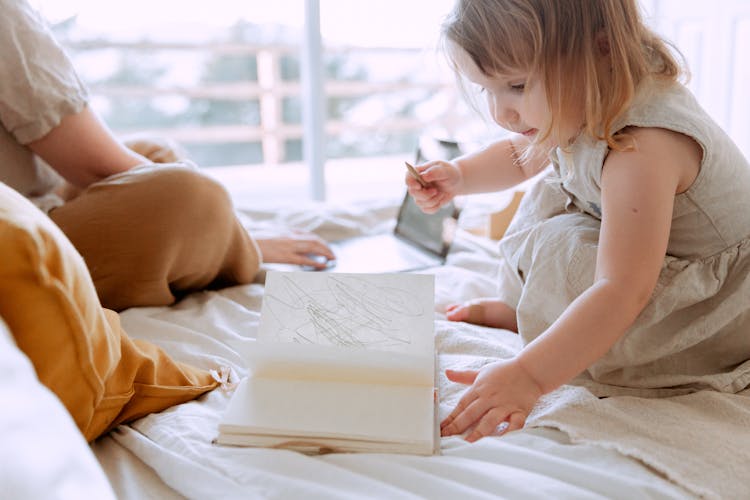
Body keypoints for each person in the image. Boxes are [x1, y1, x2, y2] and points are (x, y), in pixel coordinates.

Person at [407, 0, 750, 443]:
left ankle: (546, 322)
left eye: (516, 85)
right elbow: (521, 154)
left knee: (563, 247)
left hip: (713, 307)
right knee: (548, 200)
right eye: (487, 90)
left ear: (600, 50)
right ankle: (527, 310)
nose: (500, 113)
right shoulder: (587, 93)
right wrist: (460, 176)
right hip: (650, 255)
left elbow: (623, 288)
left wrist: (528, 375)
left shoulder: (642, 148)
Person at [0, 0, 335, 312]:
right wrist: (243, 240)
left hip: (22, 201)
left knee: (154, 153)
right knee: (192, 196)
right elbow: (96, 166)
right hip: (13, 238)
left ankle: (209, 249)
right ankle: (228, 253)